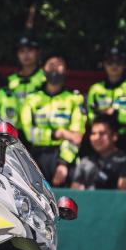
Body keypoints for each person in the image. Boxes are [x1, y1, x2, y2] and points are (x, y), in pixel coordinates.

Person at [19, 53, 85, 186]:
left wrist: (63, 163)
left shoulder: (75, 99)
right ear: (43, 69)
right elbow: (29, 133)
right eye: (51, 65)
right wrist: (57, 134)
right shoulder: (31, 98)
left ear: (66, 71)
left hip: (65, 155)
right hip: (36, 156)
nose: (54, 69)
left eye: (59, 65)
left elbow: (77, 136)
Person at [86, 47, 126, 154]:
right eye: (110, 62)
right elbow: (90, 117)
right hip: (101, 140)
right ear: (104, 64)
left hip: (125, 139)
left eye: (119, 62)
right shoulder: (96, 89)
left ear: (125, 65)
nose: (114, 66)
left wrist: (116, 115)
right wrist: (103, 116)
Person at [70, 115, 126, 190]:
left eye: (102, 133)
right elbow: (75, 192)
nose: (97, 138)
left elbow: (124, 192)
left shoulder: (125, 161)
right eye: (93, 133)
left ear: (114, 136)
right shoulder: (85, 161)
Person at [7, 33, 45, 109]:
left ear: (38, 52)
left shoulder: (45, 78)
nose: (26, 54)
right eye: (21, 51)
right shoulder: (10, 80)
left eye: (30, 50)